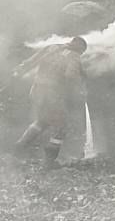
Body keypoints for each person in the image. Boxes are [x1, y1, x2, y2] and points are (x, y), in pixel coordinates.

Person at [14, 37, 89, 166]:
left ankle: (19, 147)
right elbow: (71, 75)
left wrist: (19, 71)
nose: (81, 54)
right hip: (52, 95)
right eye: (82, 52)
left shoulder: (52, 47)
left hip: (36, 91)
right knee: (61, 127)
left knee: (42, 121)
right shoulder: (73, 56)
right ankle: (49, 162)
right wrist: (80, 89)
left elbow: (32, 61)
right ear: (80, 48)